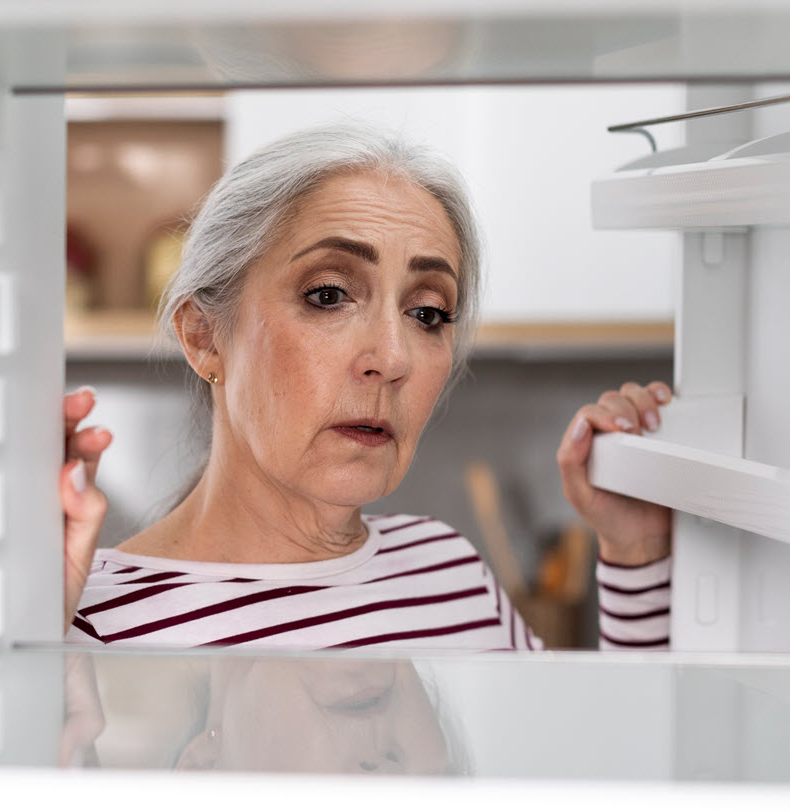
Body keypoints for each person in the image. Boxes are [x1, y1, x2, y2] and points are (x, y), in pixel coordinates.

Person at [61, 124, 672, 651]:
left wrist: (636, 552)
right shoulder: (90, 622)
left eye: (428, 312)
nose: (393, 357)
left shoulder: (449, 573)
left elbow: (591, 769)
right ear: (204, 336)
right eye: (328, 295)